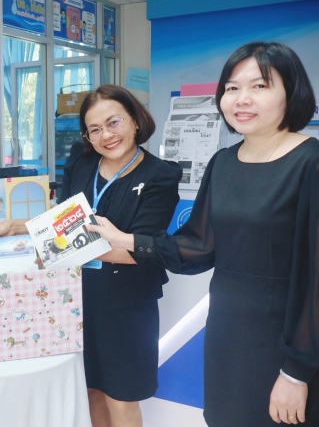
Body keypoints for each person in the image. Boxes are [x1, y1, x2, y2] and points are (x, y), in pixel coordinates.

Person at [89, 42, 319, 426]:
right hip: (228, 334)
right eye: (232, 88)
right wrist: (128, 240)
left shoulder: (310, 163)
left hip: (285, 342)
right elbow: (198, 246)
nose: (242, 99)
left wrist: (296, 372)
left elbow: (315, 280)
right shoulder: (223, 162)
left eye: (259, 86)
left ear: (291, 92)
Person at [0, 84, 181, 427]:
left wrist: (57, 248)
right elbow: (61, 220)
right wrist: (17, 227)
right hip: (75, 296)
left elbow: (141, 252)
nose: (106, 135)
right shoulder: (83, 161)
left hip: (127, 304)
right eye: (95, 129)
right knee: (89, 392)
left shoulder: (160, 175)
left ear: (135, 120)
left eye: (114, 122)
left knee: (122, 399)